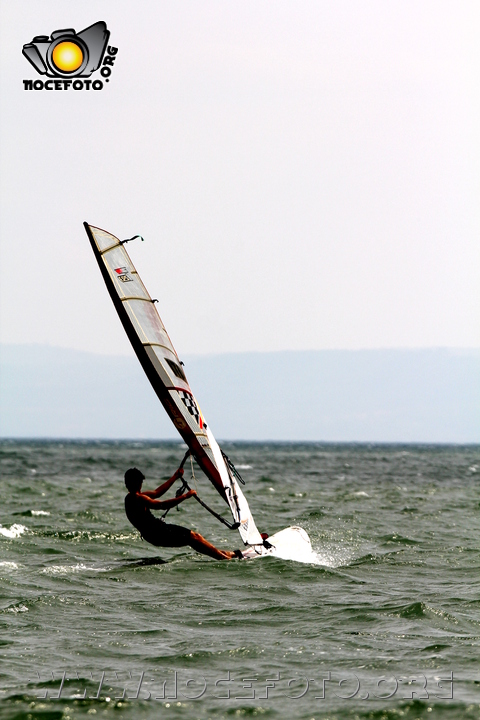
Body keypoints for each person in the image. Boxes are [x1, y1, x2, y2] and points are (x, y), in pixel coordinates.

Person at [124, 467, 240, 560]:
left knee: (195, 539)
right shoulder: (138, 498)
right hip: (158, 533)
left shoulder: (130, 497)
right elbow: (161, 505)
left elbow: (157, 492)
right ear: (138, 483)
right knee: (194, 537)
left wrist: (175, 477)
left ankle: (228, 554)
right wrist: (185, 496)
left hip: (154, 535)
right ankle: (224, 558)